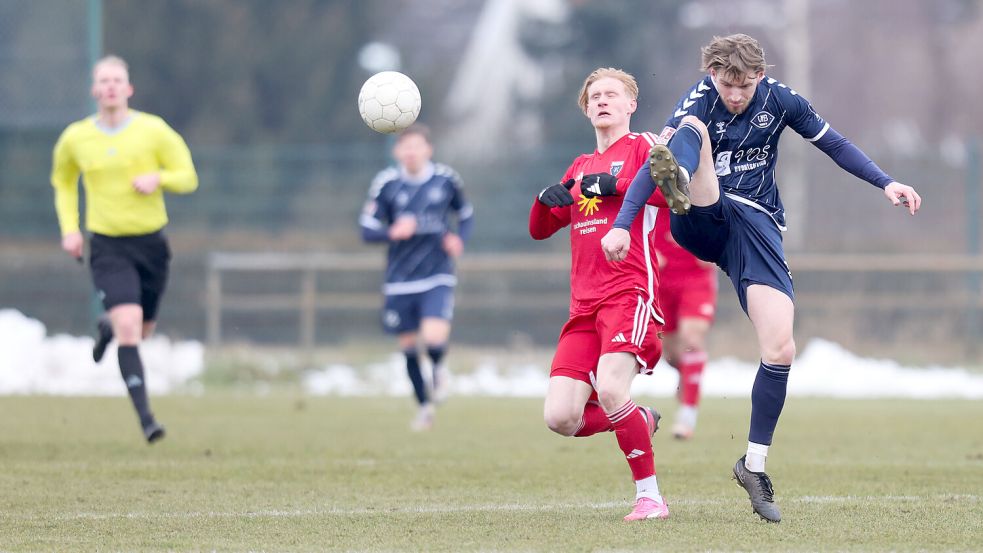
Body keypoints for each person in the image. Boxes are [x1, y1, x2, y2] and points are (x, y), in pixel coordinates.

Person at [602, 34, 921, 522]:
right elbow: (651, 167)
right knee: (689, 131)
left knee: (780, 348)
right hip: (704, 218)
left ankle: (753, 465)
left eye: (744, 86)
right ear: (714, 75)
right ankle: (682, 178)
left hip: (758, 227)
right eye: (727, 84)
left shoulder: (780, 99)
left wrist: (886, 181)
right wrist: (622, 223)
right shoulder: (701, 98)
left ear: (758, 77)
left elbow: (833, 143)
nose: (735, 94)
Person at [530, 67, 675, 521]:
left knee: (612, 388)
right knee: (560, 418)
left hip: (629, 293)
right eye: (594, 96)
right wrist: (545, 198)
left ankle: (650, 498)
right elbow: (539, 230)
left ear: (631, 104)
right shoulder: (578, 166)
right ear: (587, 108)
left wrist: (615, 186)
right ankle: (640, 419)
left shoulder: (644, 147)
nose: (602, 101)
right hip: (583, 307)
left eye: (612, 94)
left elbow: (673, 196)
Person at [50, 55, 199, 443]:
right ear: (95, 90)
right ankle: (148, 420)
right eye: (104, 80)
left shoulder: (154, 131)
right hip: (107, 247)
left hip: (151, 246)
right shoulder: (76, 138)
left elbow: (189, 178)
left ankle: (107, 326)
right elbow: (63, 182)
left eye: (118, 80)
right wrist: (70, 230)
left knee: (141, 330)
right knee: (130, 327)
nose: (111, 86)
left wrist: (159, 178)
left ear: (129, 89)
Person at [360, 124, 474, 432]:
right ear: (397, 152)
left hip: (437, 273)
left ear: (428, 150)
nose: (411, 152)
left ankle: (438, 368)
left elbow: (465, 215)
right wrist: (391, 232)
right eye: (405, 147)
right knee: (409, 346)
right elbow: (366, 228)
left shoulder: (446, 180)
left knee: (434, 335)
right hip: (399, 279)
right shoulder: (387, 184)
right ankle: (425, 407)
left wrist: (458, 239)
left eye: (417, 146)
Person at [652, 212, 718, 440]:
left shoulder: (699, 182)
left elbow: (724, 211)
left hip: (695, 277)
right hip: (662, 278)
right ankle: (687, 372)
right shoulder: (648, 185)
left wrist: (717, 244)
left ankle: (687, 414)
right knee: (669, 354)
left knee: (692, 339)